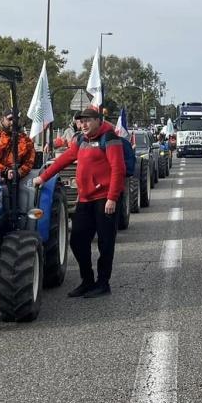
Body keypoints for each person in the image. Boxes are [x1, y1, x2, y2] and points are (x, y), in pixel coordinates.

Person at [34, 106, 125, 298]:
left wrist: (112, 198)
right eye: (81, 122)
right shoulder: (81, 140)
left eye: (87, 121)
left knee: (105, 243)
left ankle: (103, 283)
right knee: (77, 241)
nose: (83, 125)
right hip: (85, 198)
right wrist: (43, 177)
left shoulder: (109, 138)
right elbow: (64, 159)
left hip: (104, 199)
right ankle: (87, 280)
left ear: (98, 120)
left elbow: (118, 169)